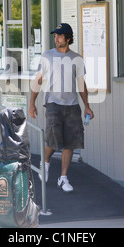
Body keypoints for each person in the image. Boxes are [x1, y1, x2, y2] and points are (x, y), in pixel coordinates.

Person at [29, 23, 94, 193]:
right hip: (53, 104)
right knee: (53, 139)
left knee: (70, 143)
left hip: (72, 105)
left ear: (68, 39)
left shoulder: (77, 59)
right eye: (55, 36)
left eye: (59, 36)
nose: (55, 39)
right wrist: (32, 103)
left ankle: (63, 178)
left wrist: (87, 106)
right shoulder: (47, 56)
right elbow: (38, 80)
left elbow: (81, 84)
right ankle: (46, 163)